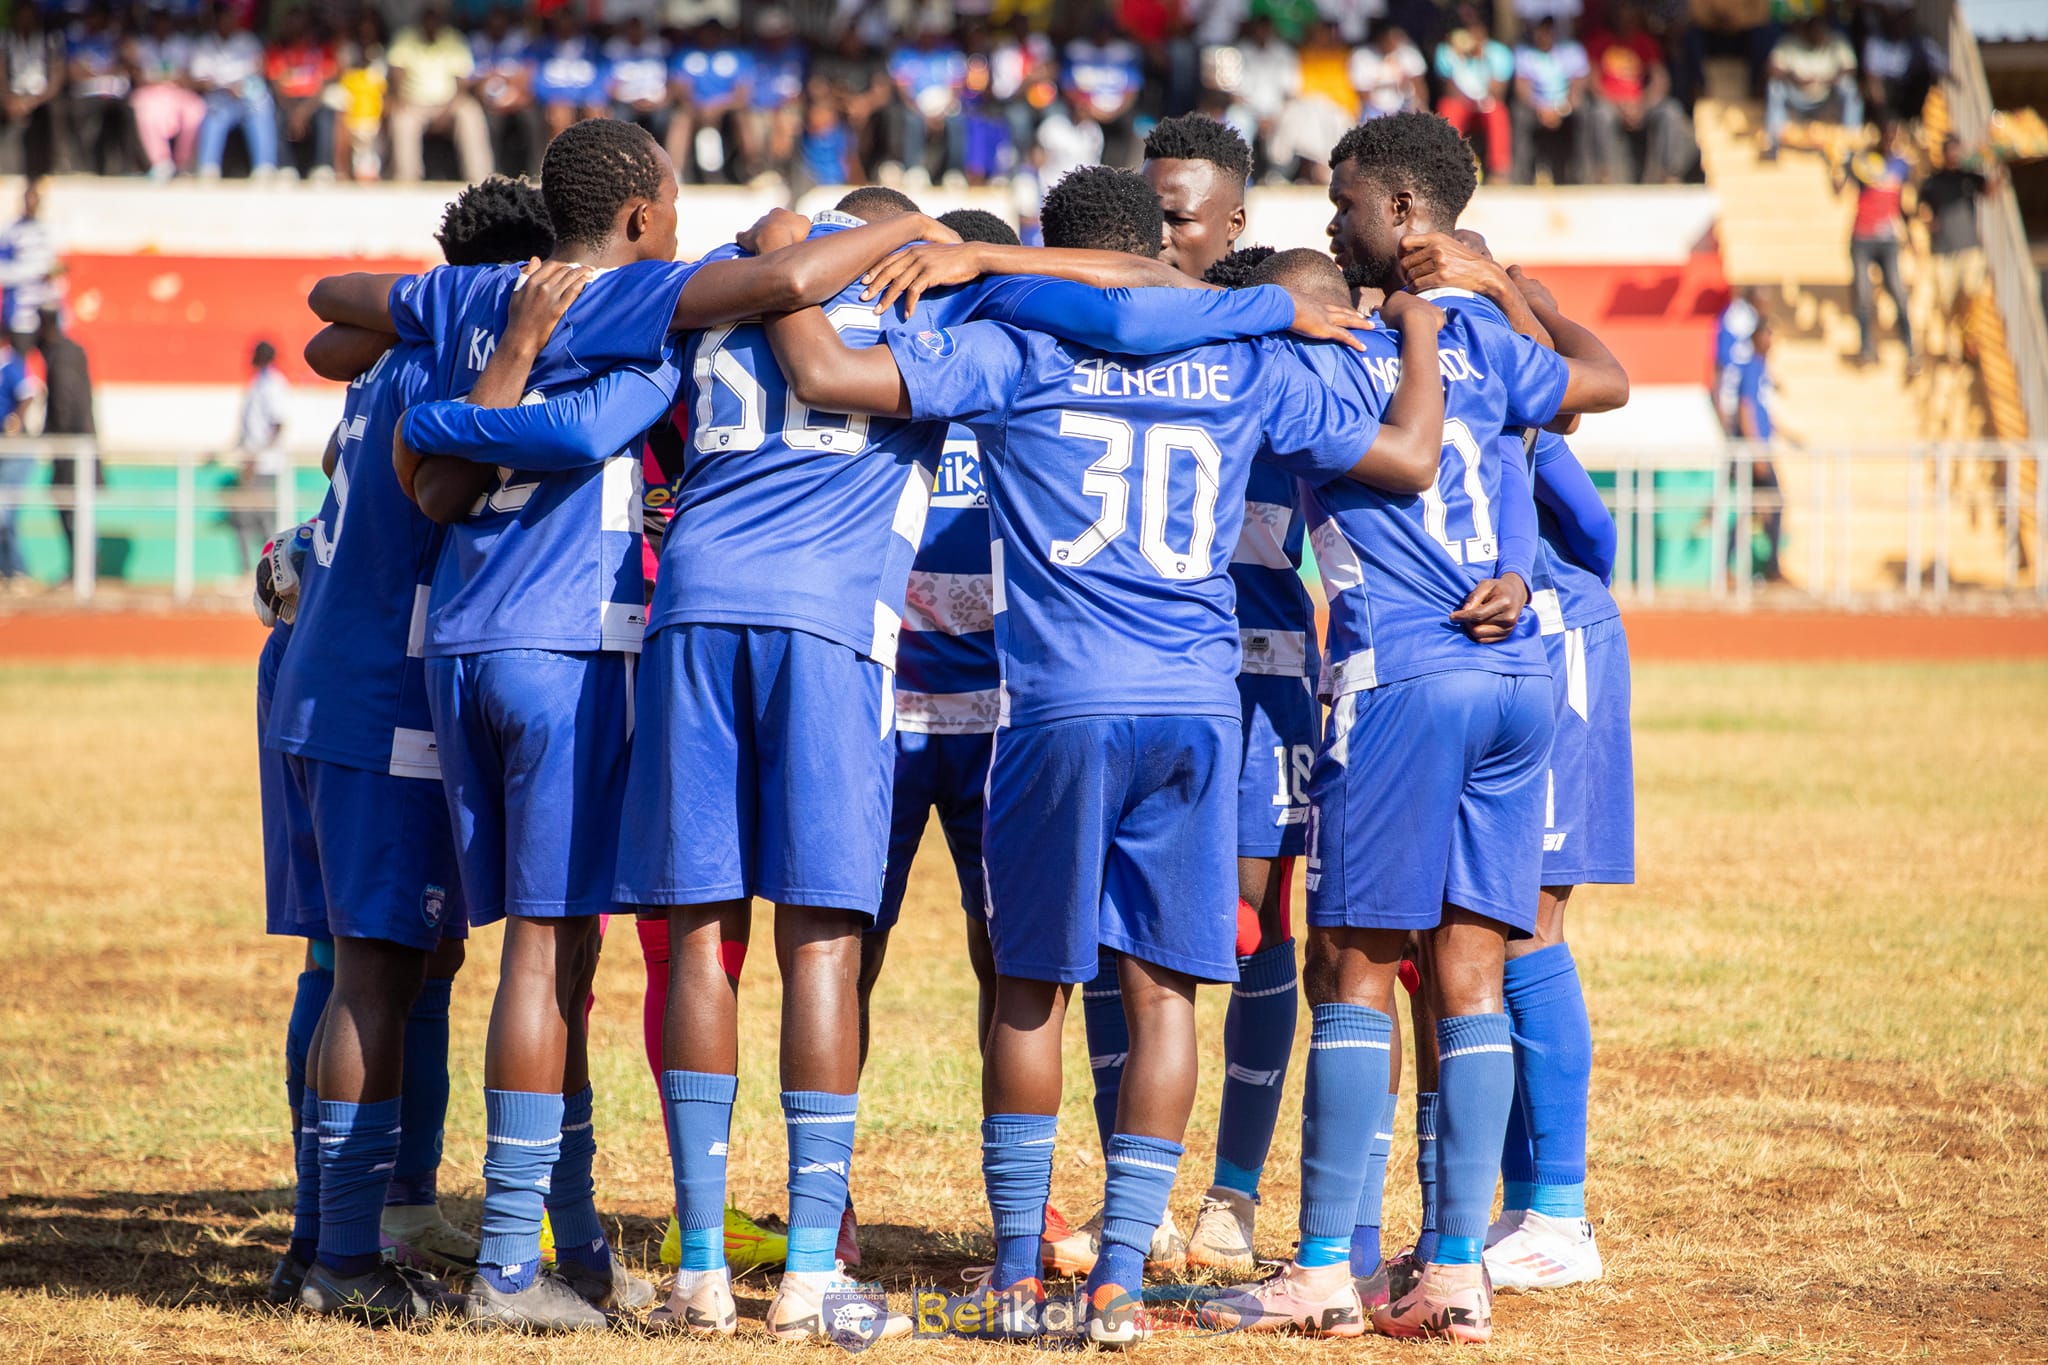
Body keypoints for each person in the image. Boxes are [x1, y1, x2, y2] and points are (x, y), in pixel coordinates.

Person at [312, 122, 982, 1333]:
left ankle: (580, 1247)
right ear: (637, 220)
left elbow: (332, 325)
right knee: (611, 949)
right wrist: (921, 235)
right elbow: (772, 296)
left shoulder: (490, 298)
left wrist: (471, 372)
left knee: (591, 944)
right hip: (587, 642)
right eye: (669, 214)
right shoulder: (656, 307)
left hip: (475, 642)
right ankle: (527, 1266)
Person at [761, 166, 1439, 1347]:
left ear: (1046, 251)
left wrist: (782, 264)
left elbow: (829, 374)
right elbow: (1398, 454)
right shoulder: (1239, 358)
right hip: (1196, 708)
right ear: (1148, 252)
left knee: (1029, 984)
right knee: (1163, 987)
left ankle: (1021, 1275)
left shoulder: (1015, 348)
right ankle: (1119, 1280)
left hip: (1057, 704)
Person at [1203, 112, 1627, 1346]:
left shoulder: (1317, 361)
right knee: (1471, 966)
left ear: (1392, 217)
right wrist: (1493, 287)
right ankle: (1453, 1271)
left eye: (1340, 204)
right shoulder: (1487, 338)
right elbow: (1599, 381)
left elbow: (1378, 447)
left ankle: (1324, 1269)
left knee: (1350, 965)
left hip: (1402, 676)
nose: (1327, 218)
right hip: (1516, 679)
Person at [271, 177, 558, 1323]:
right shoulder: (462, 352)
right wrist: (520, 346)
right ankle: (342, 1261)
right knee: (374, 975)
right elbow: (441, 486)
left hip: (327, 679)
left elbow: (331, 329)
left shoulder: (399, 343)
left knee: (366, 968)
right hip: (381, 696)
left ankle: (321, 1240)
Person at [1481, 424, 1629, 1293]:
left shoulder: (1498, 375)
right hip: (1493, 650)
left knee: (1529, 923)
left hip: (1548, 639)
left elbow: (1594, 530)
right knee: (1485, 935)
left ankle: (1562, 1218)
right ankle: (1525, 1203)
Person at [1585, 2, 1693, 183]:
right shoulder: (1599, 42)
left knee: (1671, 111)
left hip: (1641, 104)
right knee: (1600, 114)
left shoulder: (1645, 43)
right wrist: (1619, 106)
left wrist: (1642, 105)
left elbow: (1660, 79)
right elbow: (1593, 81)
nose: (1624, 18)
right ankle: (1605, 174)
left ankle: (1670, 174)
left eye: (1629, 13)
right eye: (1620, 13)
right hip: (1611, 104)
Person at [1839, 120, 1916, 374]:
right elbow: (1839, 187)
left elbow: (1901, 201)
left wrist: (1911, 233)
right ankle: (1865, 347)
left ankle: (1910, 348)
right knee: (1863, 294)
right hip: (1862, 237)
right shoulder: (1863, 163)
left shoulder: (1901, 166)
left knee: (1898, 292)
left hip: (1888, 239)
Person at [386, 6, 490, 184]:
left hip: (448, 103)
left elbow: (462, 82)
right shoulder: (406, 39)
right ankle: (407, 179)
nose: (432, 23)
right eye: (428, 18)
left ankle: (481, 179)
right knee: (401, 119)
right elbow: (397, 73)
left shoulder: (454, 39)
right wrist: (400, 99)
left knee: (471, 113)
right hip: (414, 103)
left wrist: (449, 108)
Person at [1919, 135, 1995, 359]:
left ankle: (1968, 342)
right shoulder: (1932, 182)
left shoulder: (1970, 178)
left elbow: (1990, 189)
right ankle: (1952, 344)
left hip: (1970, 247)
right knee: (1946, 301)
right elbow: (1921, 208)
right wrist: (1928, 220)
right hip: (1944, 249)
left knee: (1972, 294)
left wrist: (1997, 159)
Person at [1721, 315, 1785, 580]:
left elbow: (1760, 410)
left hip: (1757, 450)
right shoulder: (1752, 367)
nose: (1770, 339)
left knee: (1752, 508)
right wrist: (1757, 451)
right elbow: (1745, 409)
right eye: (1766, 334)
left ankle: (1731, 567)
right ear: (1757, 338)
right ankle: (1771, 568)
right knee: (1773, 503)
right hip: (1753, 453)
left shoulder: (1761, 368)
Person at [225, 341, 290, 573]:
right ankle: (250, 572)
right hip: (252, 463)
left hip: (263, 466)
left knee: (262, 521)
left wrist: (257, 455)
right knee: (245, 519)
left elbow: (278, 424)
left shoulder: (272, 384)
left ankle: (272, 573)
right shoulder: (259, 383)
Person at [192, 8, 276, 179]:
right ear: (216, 22)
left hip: (246, 96)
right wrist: (225, 87)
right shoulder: (205, 44)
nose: (230, 24)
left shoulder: (247, 41)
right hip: (219, 98)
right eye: (225, 20)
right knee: (215, 116)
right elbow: (198, 80)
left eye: (232, 20)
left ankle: (265, 166)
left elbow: (259, 71)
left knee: (262, 109)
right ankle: (208, 166)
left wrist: (242, 87)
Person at [1763, 14, 1859, 161]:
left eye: (1820, 31)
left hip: (1826, 97)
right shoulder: (1789, 42)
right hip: (1797, 97)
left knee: (1849, 88)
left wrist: (1828, 79)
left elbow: (1851, 69)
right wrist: (1795, 78)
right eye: (1813, 30)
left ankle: (1851, 148)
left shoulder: (1836, 40)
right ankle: (1773, 144)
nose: (1817, 34)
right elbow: (1771, 69)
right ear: (1805, 30)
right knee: (1775, 88)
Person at [1433, 9, 1514, 179]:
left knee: (1498, 113)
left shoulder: (1499, 52)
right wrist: (1458, 59)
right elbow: (1449, 91)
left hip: (1487, 105)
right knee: (1448, 109)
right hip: (1461, 103)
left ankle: (1499, 172)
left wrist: (1482, 60)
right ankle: (1447, 169)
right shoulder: (1446, 51)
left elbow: (1497, 92)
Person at [64, 6, 140, 177]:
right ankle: (83, 166)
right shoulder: (76, 39)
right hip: (85, 94)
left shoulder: (114, 40)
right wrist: (104, 71)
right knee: (86, 112)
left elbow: (129, 67)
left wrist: (121, 39)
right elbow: (74, 71)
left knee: (126, 112)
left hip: (114, 94)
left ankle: (129, 166)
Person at [1513, 15, 1588, 185]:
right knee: (1519, 114)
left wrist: (1561, 109)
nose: (1544, 35)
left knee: (1585, 113)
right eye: (1540, 31)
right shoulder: (1525, 53)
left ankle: (1581, 176)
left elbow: (1577, 88)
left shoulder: (1572, 51)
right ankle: (1521, 178)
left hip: (1564, 107)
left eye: (1548, 31)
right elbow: (1522, 89)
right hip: (1536, 107)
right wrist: (1541, 109)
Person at [131, 8, 205, 179]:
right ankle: (161, 162)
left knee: (196, 110)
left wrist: (163, 77)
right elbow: (140, 77)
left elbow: (187, 77)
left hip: (178, 93)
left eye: (165, 23)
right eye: (157, 24)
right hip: (151, 94)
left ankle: (183, 164)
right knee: (146, 111)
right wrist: (166, 78)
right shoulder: (142, 46)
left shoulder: (182, 45)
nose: (161, 27)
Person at [266, 10, 338, 181]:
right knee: (274, 115)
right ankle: (285, 166)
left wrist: (303, 112)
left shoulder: (322, 50)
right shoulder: (276, 51)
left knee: (326, 115)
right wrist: (293, 112)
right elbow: (276, 87)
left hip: (312, 101)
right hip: (286, 101)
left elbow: (324, 85)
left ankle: (323, 166)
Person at [471, 8, 541, 179]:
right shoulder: (476, 42)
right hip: (488, 101)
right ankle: (494, 173)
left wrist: (515, 97)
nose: (497, 28)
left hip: (518, 97)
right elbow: (472, 80)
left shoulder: (520, 40)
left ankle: (537, 171)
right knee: (487, 123)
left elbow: (528, 73)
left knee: (533, 121)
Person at [0, 6, 63, 181]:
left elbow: (56, 78)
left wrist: (31, 102)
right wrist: (9, 100)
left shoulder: (49, 40)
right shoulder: (5, 40)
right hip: (11, 96)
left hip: (40, 98)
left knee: (51, 114)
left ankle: (45, 168)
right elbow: (1, 74)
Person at [0, 180, 58, 353]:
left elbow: (55, 267)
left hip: (46, 310)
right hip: (20, 314)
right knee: (19, 361)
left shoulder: (47, 230)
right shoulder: (11, 231)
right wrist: (32, 273)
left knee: (55, 358)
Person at [0, 337, 39, 590]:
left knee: (4, 516)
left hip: (15, 453)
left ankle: (17, 571)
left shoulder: (12, 364)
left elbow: (30, 391)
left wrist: (15, 421)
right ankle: (10, 571)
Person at [1350, 22, 1427, 123]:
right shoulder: (1362, 56)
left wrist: (1421, 106)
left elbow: (1419, 84)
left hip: (1404, 109)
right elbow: (1362, 92)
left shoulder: (1408, 52)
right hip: (1375, 111)